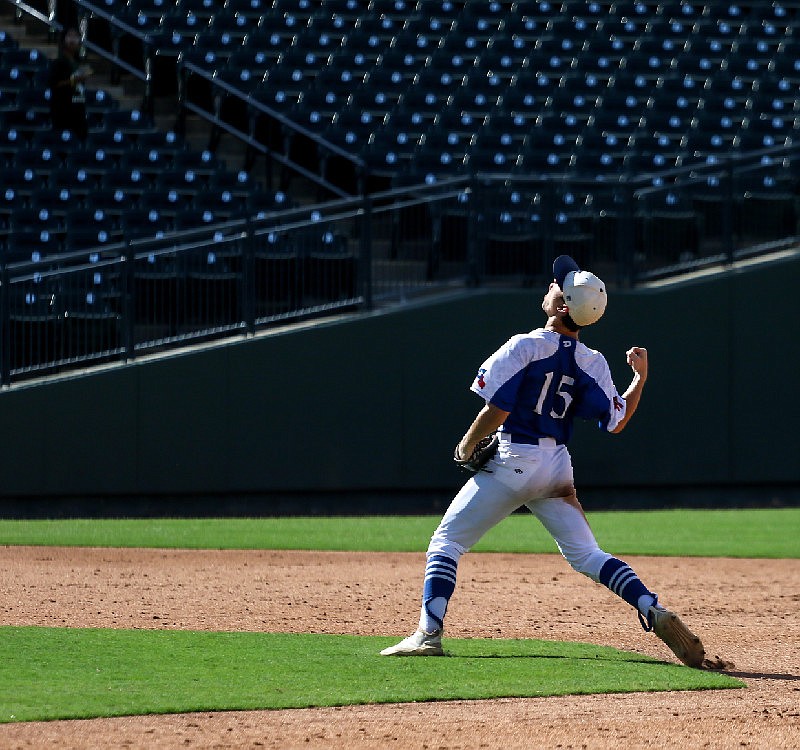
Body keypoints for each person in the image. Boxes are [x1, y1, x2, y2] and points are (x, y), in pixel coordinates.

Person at [381, 254, 713, 669]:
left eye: (558, 285)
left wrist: (466, 445)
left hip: (514, 456)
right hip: (557, 465)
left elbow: (497, 409)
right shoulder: (593, 362)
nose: (551, 285)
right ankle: (650, 606)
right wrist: (640, 379)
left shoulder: (525, 345)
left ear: (562, 306)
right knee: (588, 556)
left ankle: (428, 634)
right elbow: (617, 421)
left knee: (446, 542)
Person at [49, 27, 92, 139]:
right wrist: (75, 80)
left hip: (79, 110)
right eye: (70, 36)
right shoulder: (58, 62)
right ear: (63, 40)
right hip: (63, 111)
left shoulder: (78, 63)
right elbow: (55, 84)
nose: (73, 40)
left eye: (75, 37)